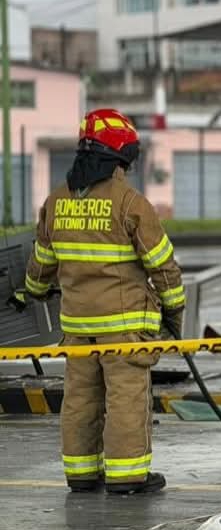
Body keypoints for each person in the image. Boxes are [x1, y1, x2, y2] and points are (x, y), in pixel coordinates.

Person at [21, 108, 184, 495]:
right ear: (120, 157)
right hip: (124, 329)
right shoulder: (130, 203)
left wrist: (34, 292)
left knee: (80, 401)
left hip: (77, 328)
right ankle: (128, 477)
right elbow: (163, 267)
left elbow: (39, 268)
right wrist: (174, 312)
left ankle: (80, 475)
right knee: (126, 399)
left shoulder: (56, 203)